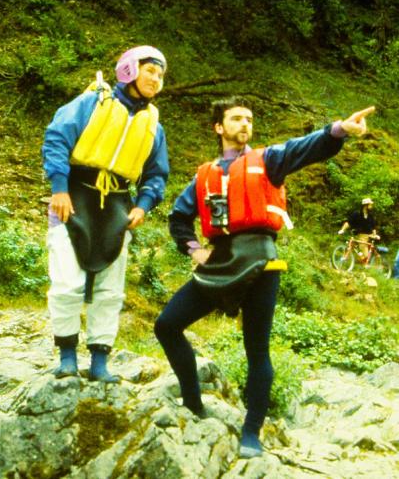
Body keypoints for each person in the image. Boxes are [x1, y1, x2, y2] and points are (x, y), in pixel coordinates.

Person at [154, 97, 374, 459]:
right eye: (236, 118)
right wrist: (194, 249)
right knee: (167, 324)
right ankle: (193, 402)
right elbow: (179, 218)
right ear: (218, 127)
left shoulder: (269, 160)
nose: (245, 124)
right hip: (219, 260)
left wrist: (339, 130)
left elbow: (306, 148)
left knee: (257, 350)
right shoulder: (203, 175)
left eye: (249, 119)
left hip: (261, 261)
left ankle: (251, 432)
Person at [42, 46, 169, 382]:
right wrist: (59, 188)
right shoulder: (91, 103)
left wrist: (143, 204)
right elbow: (56, 137)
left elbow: (157, 174)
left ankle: (100, 361)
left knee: (110, 290)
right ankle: (67, 356)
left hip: (117, 204)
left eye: (160, 75)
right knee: (67, 283)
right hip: (74, 195)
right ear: (129, 69)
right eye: (150, 71)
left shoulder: (154, 126)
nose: (156, 79)